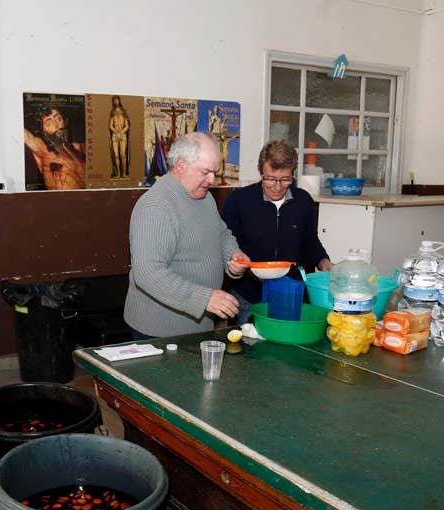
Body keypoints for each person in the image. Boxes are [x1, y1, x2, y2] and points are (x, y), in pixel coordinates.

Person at [124, 132, 250, 338]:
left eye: (215, 172)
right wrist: (204, 299)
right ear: (182, 165)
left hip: (198, 326)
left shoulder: (204, 196)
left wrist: (233, 255)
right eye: (206, 172)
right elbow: (148, 274)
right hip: (159, 331)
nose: (212, 179)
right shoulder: (156, 206)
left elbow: (221, 233)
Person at [221, 139, 333, 325]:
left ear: (293, 175)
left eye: (285, 179)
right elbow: (224, 241)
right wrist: (234, 263)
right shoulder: (239, 200)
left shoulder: (303, 201)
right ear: (260, 171)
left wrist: (323, 260)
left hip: (290, 295)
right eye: (271, 178)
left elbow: (309, 239)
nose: (278, 186)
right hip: (247, 296)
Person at [24, 105, 85, 190]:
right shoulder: (42, 148)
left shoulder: (78, 147)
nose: (56, 125)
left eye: (58, 118)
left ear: (64, 120)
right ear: (42, 130)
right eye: (48, 123)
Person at [109, 96, 130, 178]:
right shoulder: (112, 114)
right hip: (115, 136)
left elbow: (127, 126)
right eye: (115, 100)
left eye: (117, 100)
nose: (116, 101)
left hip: (122, 135)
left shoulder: (124, 113)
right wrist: (116, 132)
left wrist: (121, 132)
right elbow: (110, 126)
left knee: (123, 155)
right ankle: (118, 174)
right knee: (116, 155)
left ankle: (124, 173)